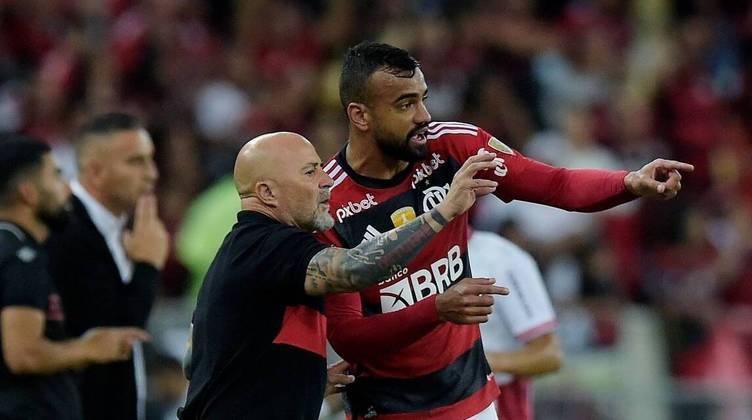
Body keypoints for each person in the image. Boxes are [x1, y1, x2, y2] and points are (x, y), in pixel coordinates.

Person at [316, 41, 693, 419]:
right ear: (360, 116)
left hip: (473, 403)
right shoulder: (329, 204)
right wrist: (437, 309)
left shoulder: (453, 145)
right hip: (385, 409)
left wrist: (629, 182)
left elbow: (556, 184)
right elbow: (348, 336)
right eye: (404, 105)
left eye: (423, 98)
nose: (423, 115)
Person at [178, 131, 506, 419]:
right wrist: (442, 212)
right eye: (310, 172)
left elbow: (195, 361)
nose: (327, 180)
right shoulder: (270, 245)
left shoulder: (241, 251)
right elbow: (355, 269)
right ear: (268, 193)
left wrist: (299, 380)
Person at [0, 135, 150, 419]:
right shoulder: (21, 257)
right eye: (56, 177)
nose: (66, 189)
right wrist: (87, 348)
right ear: (28, 193)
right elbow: (24, 354)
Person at [45, 112, 169, 420]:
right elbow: (117, 334)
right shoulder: (65, 231)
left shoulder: (120, 229)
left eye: (151, 159)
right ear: (96, 172)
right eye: (135, 162)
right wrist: (147, 265)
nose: (152, 174)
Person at [468, 229, 562, 420]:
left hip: (494, 406)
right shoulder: (397, 253)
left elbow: (550, 354)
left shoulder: (501, 257)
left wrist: (472, 361)